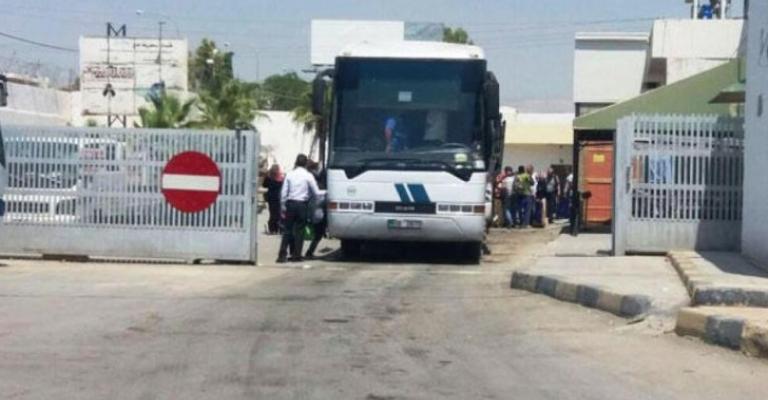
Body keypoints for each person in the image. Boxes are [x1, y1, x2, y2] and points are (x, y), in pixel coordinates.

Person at [277, 154, 320, 263]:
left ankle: (282, 255)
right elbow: (316, 192)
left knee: (287, 230)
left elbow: (284, 193)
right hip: (302, 205)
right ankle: (296, 255)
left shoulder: (290, 174)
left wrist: (283, 206)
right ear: (306, 164)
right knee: (300, 231)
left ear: (296, 162)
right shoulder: (308, 176)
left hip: (291, 203)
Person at [305, 161, 327, 260]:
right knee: (318, 234)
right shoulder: (321, 190)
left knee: (317, 234)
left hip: (312, 213)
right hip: (318, 215)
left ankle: (308, 252)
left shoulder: (312, 186)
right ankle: (309, 252)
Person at [262, 164, 284, 235]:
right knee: (278, 213)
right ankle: (277, 228)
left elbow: (264, 185)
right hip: (278, 197)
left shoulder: (269, 178)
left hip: (271, 197)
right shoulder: (280, 178)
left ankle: (272, 229)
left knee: (272, 213)